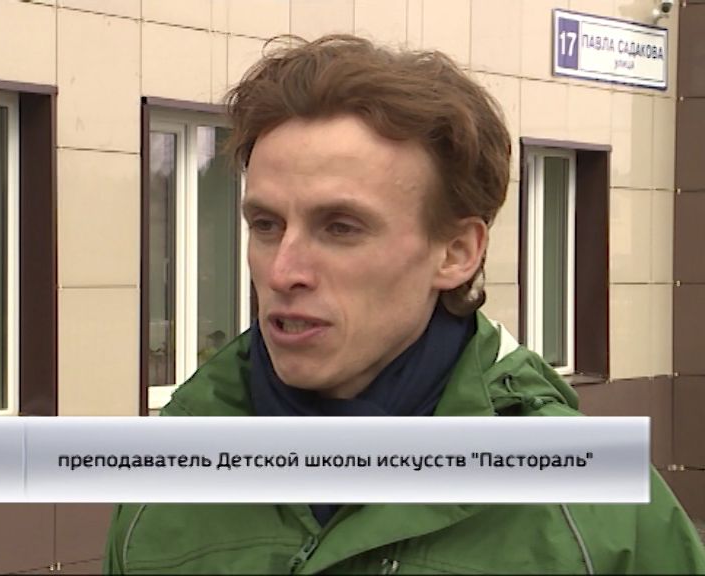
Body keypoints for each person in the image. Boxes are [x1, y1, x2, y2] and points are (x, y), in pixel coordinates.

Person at [104, 35, 705, 574]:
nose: (283, 271)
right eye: (266, 224)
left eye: (340, 228)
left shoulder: (592, 510)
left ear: (457, 253)